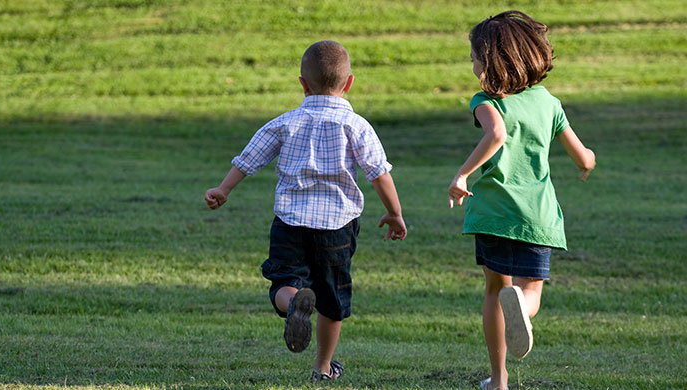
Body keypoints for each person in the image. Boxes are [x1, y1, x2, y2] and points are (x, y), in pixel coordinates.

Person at [205, 40, 407, 382]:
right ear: (349, 83)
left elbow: (250, 158)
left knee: (283, 281)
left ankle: (295, 300)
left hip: (290, 222)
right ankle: (323, 368)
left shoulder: (287, 122)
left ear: (302, 83)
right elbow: (378, 172)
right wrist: (395, 213)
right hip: (338, 226)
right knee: (332, 297)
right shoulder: (356, 125)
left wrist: (223, 189)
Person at [447, 11, 596, 390]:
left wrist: (463, 174)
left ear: (492, 62)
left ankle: (499, 380)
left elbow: (495, 134)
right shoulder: (548, 102)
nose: (472, 64)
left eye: (475, 58)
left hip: (494, 213)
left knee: (494, 291)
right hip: (537, 216)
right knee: (530, 291)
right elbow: (582, 156)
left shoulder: (485, 101)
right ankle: (525, 313)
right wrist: (587, 164)